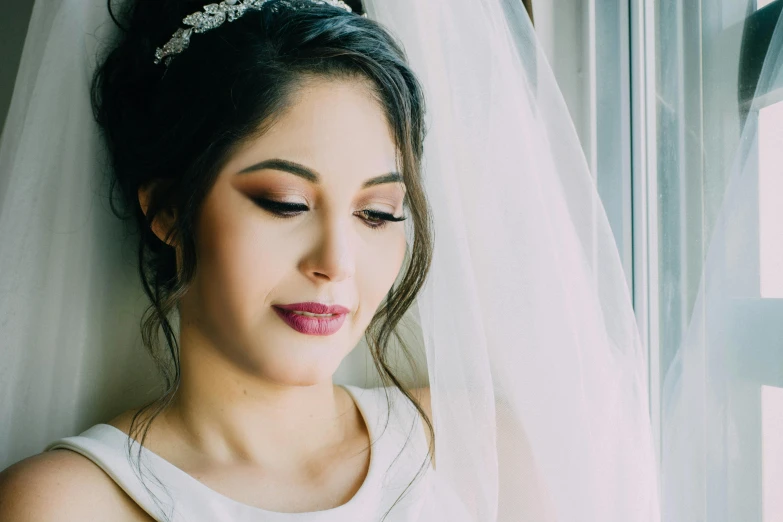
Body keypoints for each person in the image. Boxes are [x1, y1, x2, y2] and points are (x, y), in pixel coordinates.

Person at [0, 0, 660, 521]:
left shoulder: (476, 450)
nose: (336, 262)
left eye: (376, 214)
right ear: (168, 210)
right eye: (284, 203)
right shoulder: (72, 504)